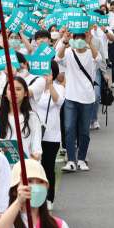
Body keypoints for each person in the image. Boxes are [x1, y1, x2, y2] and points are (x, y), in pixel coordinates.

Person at [55, 30, 100, 172]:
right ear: (73, 39)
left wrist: (90, 42)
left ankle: (81, 159)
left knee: (84, 130)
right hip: (71, 97)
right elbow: (57, 57)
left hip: (87, 97)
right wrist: (65, 41)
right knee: (69, 129)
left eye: (82, 37)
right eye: (77, 37)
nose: (79, 40)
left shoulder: (90, 54)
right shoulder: (68, 53)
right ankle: (71, 161)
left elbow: (98, 59)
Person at [37, 61, 65, 211]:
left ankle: (49, 198)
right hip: (35, 134)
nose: (45, 74)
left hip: (51, 135)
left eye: (48, 71)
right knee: (35, 166)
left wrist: (50, 85)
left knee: (48, 167)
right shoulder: (35, 87)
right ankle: (35, 198)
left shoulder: (59, 87)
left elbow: (58, 101)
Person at [0, 77, 42, 160]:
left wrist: (36, 156)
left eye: (18, 89)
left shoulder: (32, 116)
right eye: (10, 89)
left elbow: (36, 145)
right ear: (5, 94)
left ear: (25, 93)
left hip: (26, 166)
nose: (14, 92)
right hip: (3, 168)